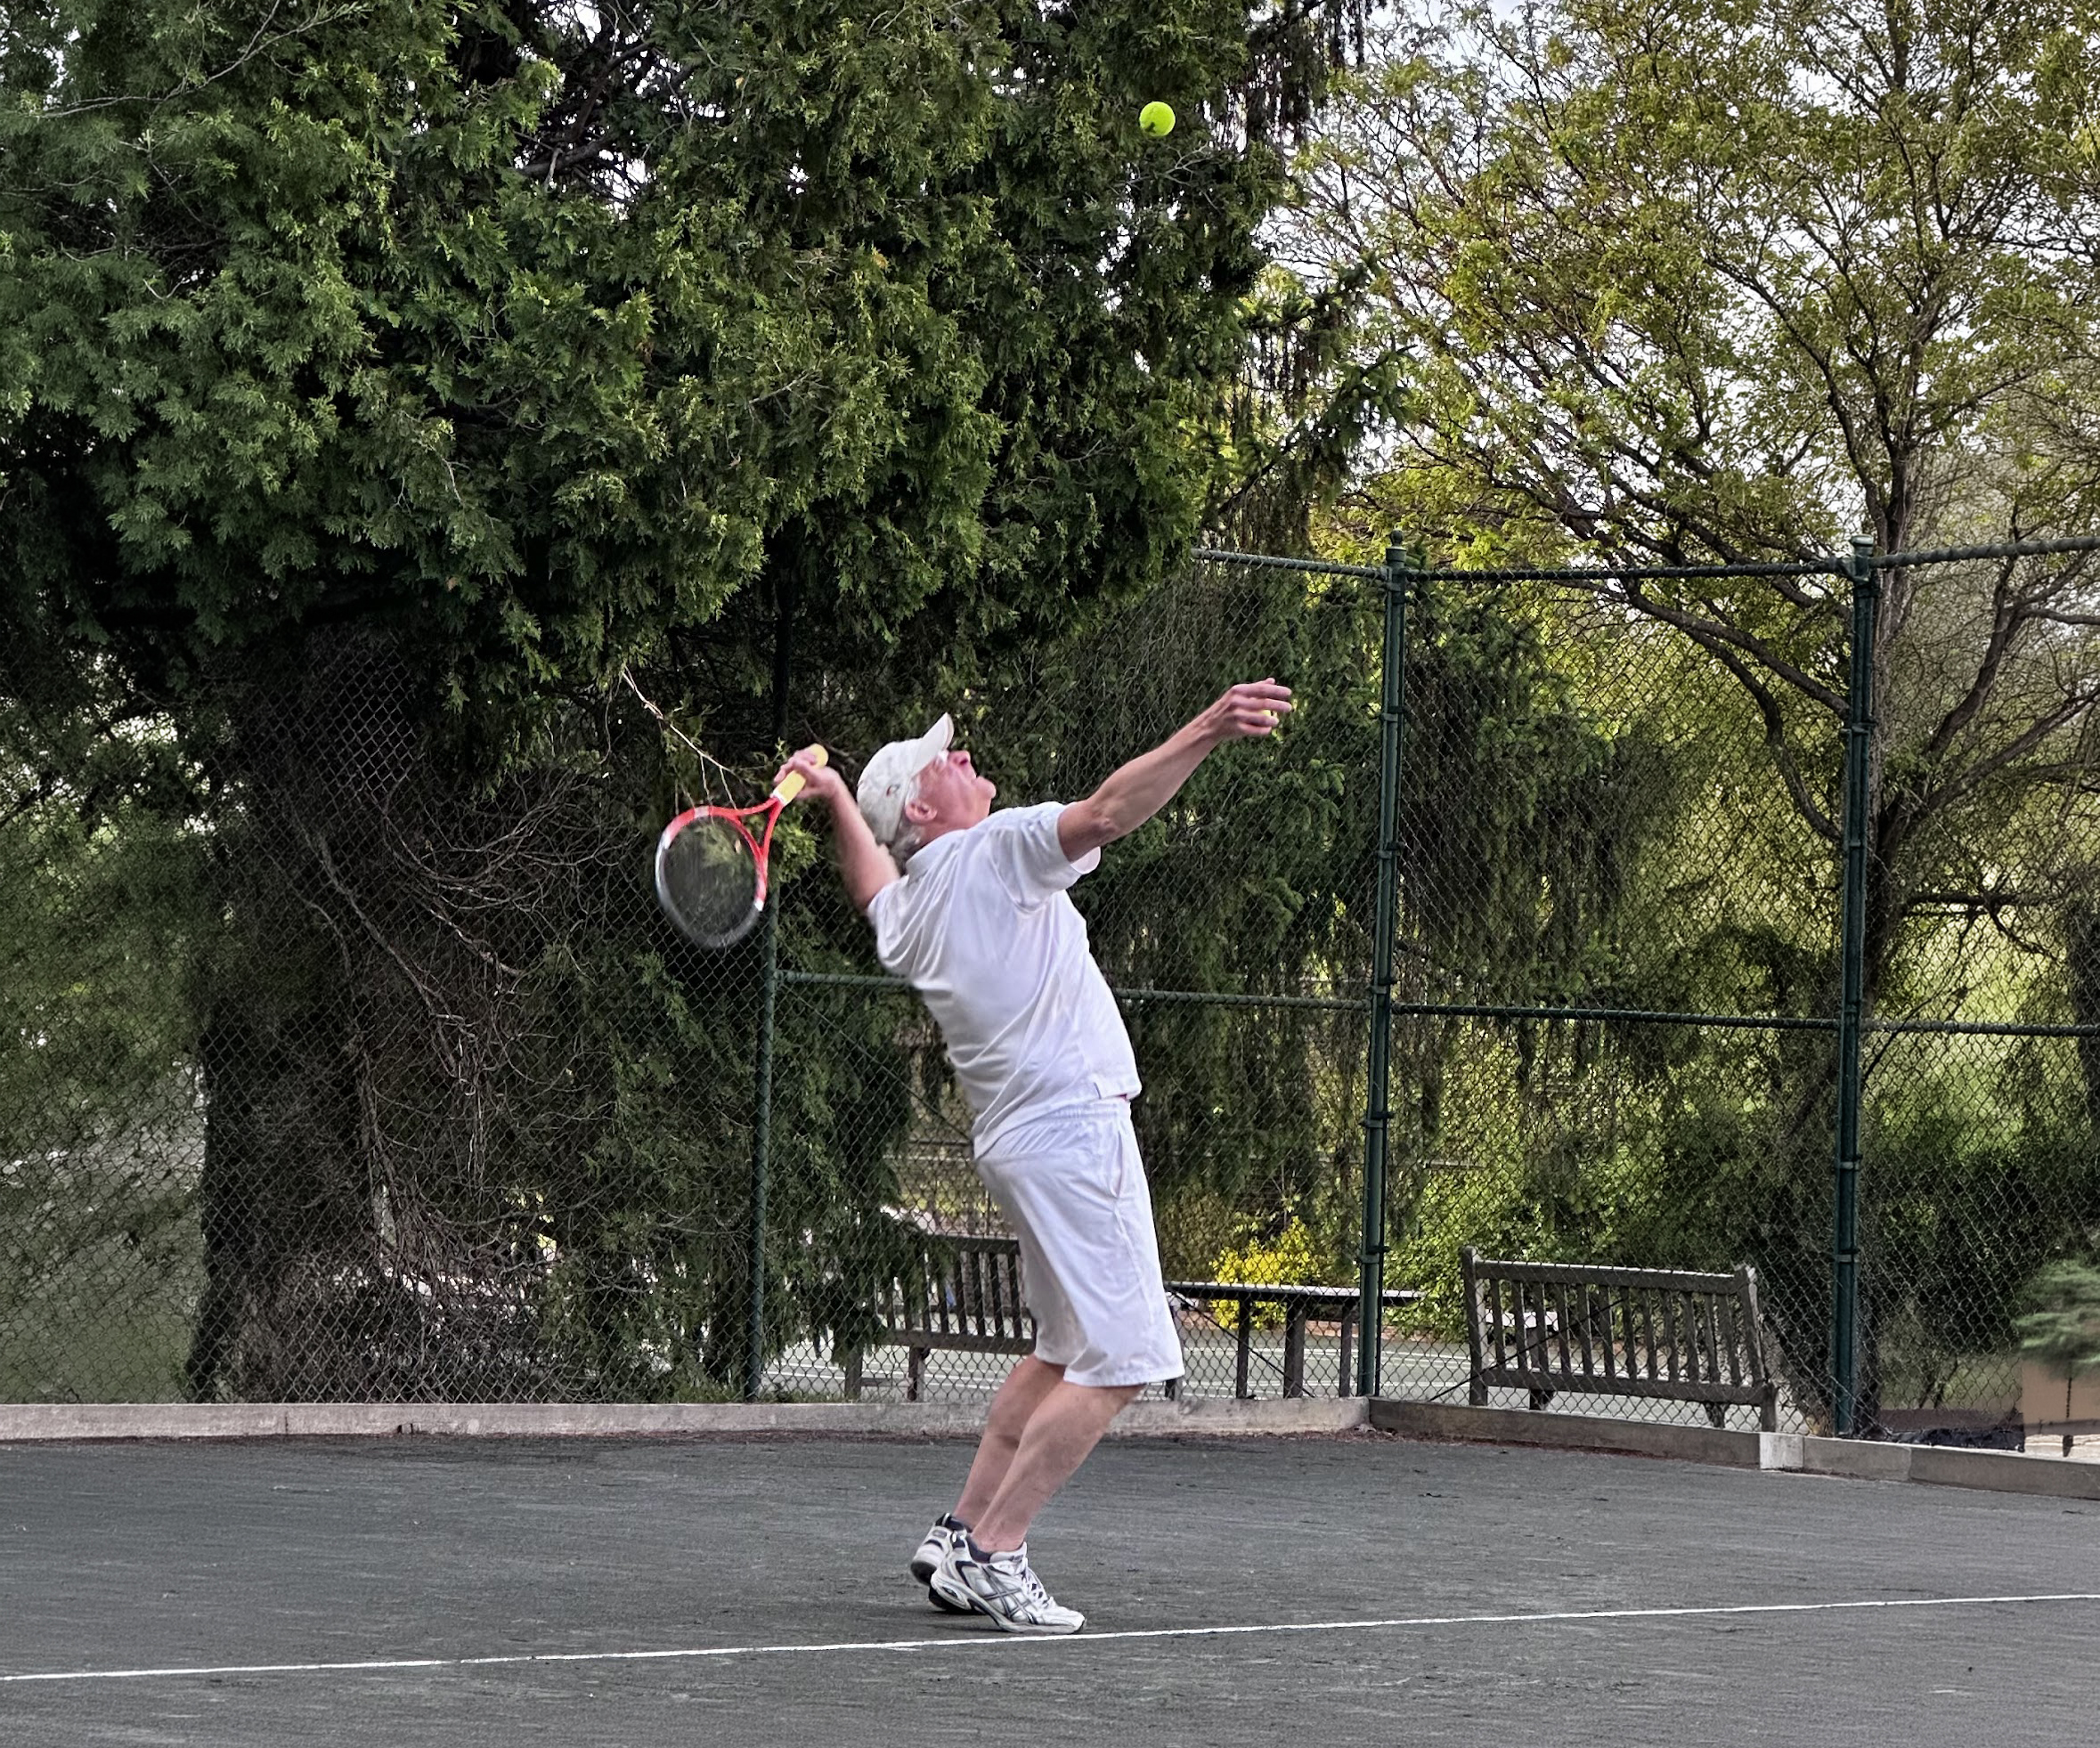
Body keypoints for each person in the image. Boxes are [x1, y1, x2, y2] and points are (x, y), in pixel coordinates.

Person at [773, 677, 1293, 1635]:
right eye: (946, 761)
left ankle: (959, 1530)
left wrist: (838, 797)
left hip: (1021, 1143)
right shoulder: (999, 847)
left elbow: (871, 886)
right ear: (925, 809)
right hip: (1073, 1128)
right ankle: (997, 1547)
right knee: (1127, 1354)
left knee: (1062, 1350)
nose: (964, 756)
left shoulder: (914, 910)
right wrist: (1208, 728)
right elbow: (1107, 811)